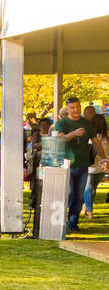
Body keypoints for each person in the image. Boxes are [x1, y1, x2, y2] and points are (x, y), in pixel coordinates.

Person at [52, 97, 95, 234]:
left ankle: (72, 224)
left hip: (83, 164)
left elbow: (96, 141)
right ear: (68, 109)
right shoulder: (62, 123)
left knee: (79, 196)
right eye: (72, 108)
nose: (76, 110)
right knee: (68, 194)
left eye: (78, 107)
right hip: (66, 164)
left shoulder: (87, 124)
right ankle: (61, 222)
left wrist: (105, 158)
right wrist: (74, 133)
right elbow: (59, 139)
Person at [82, 103, 108, 219]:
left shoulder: (90, 136)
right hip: (102, 166)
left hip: (91, 165)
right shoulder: (107, 136)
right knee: (92, 188)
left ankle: (89, 212)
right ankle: (86, 208)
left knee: (88, 188)